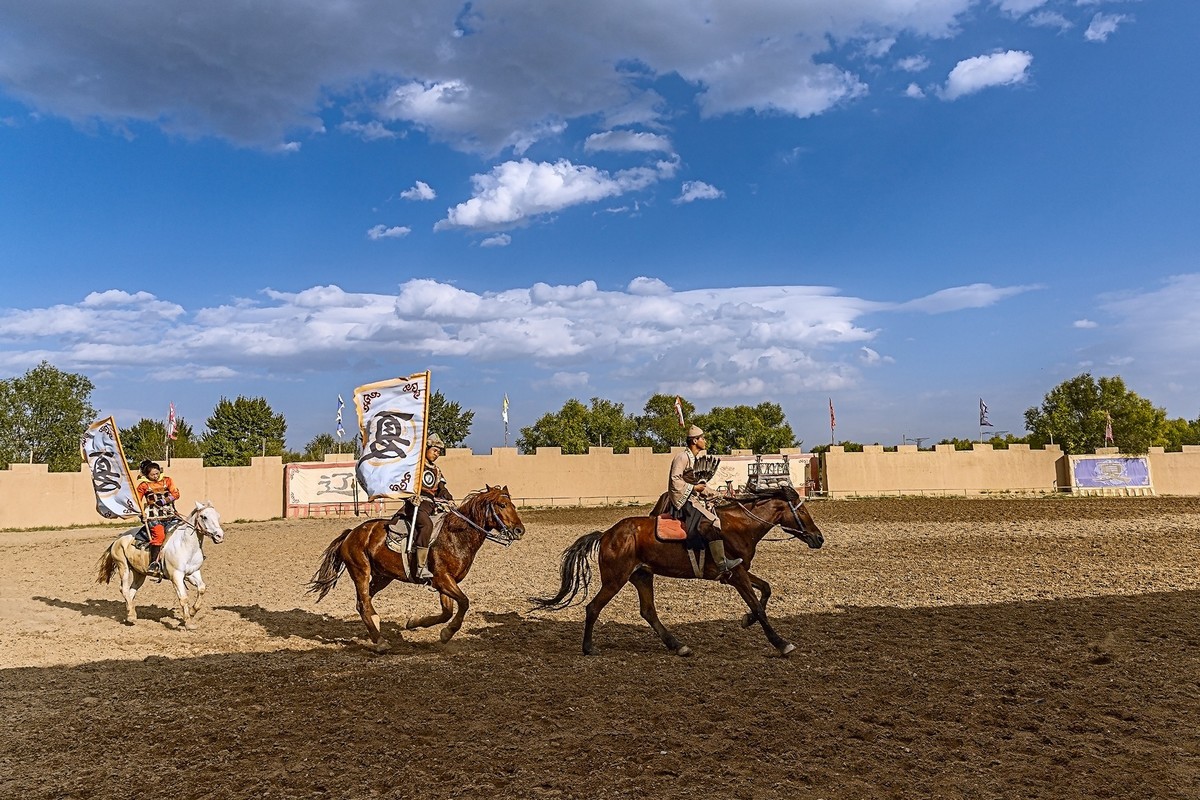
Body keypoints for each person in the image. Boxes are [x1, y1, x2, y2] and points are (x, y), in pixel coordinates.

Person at [668, 425, 742, 575]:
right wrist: (694, 489)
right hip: (684, 502)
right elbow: (674, 480)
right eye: (702, 438)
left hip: (692, 498)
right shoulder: (682, 457)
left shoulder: (693, 459)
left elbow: (699, 486)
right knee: (714, 522)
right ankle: (721, 563)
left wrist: (718, 494)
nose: (705, 441)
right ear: (695, 441)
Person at [387, 433, 453, 581]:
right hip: (415, 505)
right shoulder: (415, 466)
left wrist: (449, 499)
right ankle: (420, 567)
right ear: (426, 449)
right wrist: (410, 496)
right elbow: (401, 484)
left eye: (438, 452)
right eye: (434, 451)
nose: (437, 454)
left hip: (432, 506)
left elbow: (442, 490)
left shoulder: (437, 471)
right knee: (427, 525)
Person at [135, 459, 181, 578]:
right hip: (153, 516)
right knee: (159, 537)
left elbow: (176, 494)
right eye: (152, 474)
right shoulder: (143, 485)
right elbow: (137, 501)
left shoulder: (167, 480)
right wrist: (141, 514)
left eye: (156, 473)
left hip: (170, 513)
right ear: (146, 475)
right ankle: (154, 563)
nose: (155, 476)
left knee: (182, 531)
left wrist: (164, 501)